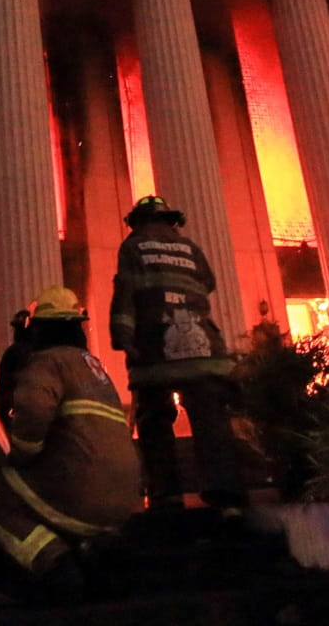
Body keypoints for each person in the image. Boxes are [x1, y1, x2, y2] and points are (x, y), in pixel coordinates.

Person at [0, 286, 139, 599]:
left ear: (39, 329)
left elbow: (33, 410)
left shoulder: (46, 363)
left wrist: (23, 452)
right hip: (123, 499)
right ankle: (92, 547)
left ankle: (55, 564)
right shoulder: (94, 369)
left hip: (80, 492)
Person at [111, 194, 245, 515]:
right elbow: (208, 284)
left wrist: (122, 336)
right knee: (211, 420)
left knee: (154, 419)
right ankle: (226, 496)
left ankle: (166, 494)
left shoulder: (133, 247)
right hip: (204, 350)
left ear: (138, 223)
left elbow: (126, 296)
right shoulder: (191, 248)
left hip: (155, 350)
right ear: (171, 221)